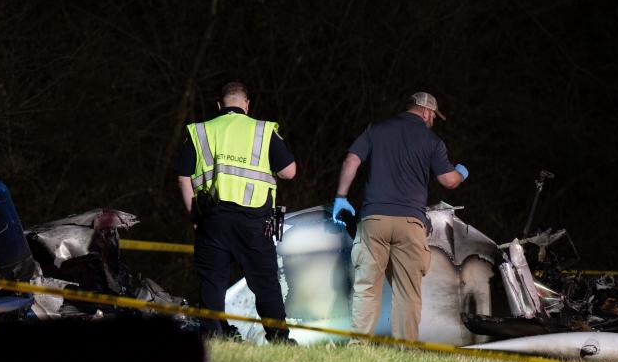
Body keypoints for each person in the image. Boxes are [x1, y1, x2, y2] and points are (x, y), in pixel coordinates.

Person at [331, 91, 468, 341]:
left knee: (367, 287)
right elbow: (448, 181)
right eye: (433, 117)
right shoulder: (432, 141)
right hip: (410, 223)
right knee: (408, 291)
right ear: (426, 112)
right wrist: (461, 173)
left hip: (374, 219)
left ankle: (358, 346)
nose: (432, 121)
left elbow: (351, 160)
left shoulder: (376, 130)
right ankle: (406, 347)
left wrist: (341, 196)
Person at [175, 81, 297, 344]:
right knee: (265, 285)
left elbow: (183, 178)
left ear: (219, 105)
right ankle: (279, 339)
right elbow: (289, 172)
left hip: (213, 221)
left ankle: (212, 338)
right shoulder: (263, 131)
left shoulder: (200, 132)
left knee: (212, 283)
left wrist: (195, 218)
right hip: (254, 222)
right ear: (247, 104)